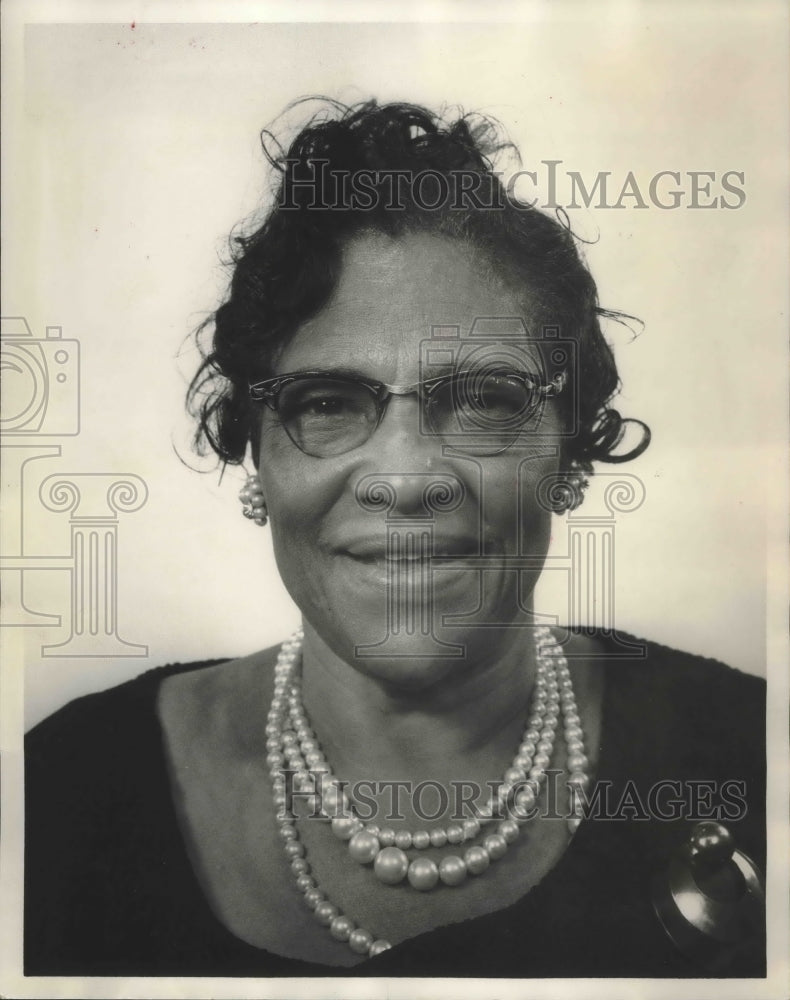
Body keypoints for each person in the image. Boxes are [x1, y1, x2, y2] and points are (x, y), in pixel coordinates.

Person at [24, 99, 765, 978]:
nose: (406, 476)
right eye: (328, 404)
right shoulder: (58, 796)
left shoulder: (749, 751)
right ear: (255, 456)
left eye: (486, 400)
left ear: (569, 447)